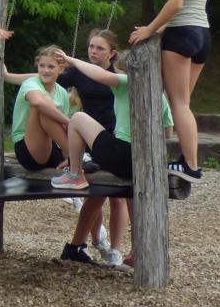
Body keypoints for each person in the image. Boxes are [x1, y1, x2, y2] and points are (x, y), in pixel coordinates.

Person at [6, 29, 128, 264]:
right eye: (91, 46)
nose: (93, 51)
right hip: (70, 139)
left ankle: (112, 247)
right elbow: (42, 83)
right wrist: (8, 76)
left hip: (109, 137)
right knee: (46, 109)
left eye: (99, 48)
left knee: (112, 193)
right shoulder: (66, 77)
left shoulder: (117, 76)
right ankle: (92, 238)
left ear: (112, 53)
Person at [129, 0, 217, 183]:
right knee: (183, 104)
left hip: (182, 34)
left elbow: (176, 3)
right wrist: (158, 29)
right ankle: (187, 161)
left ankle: (191, 166)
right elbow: (188, 4)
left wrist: (149, 29)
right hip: (202, 33)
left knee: (179, 104)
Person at [49, 49, 175, 222]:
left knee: (78, 118)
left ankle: (74, 175)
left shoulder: (129, 81)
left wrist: (72, 61)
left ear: (123, 70)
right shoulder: (159, 94)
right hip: (149, 161)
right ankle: (135, 241)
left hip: (123, 158)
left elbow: (101, 76)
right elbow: (168, 133)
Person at [8, 45, 74, 172]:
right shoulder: (30, 83)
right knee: (43, 109)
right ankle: (76, 156)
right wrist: (69, 122)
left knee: (56, 115)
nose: (45, 70)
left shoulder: (62, 92)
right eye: (41, 66)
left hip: (52, 147)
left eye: (51, 67)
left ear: (60, 69)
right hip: (27, 148)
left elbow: (63, 129)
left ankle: (73, 158)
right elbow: (38, 102)